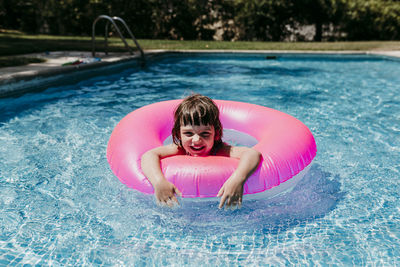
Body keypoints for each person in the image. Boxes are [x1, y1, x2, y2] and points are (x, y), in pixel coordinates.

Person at [141, 94, 261, 209]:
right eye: (188, 133)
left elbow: (251, 153)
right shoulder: (179, 149)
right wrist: (159, 182)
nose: (197, 140)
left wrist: (237, 180)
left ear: (216, 134)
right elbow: (149, 155)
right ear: (178, 134)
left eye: (205, 134)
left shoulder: (219, 149)